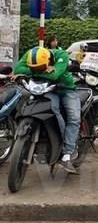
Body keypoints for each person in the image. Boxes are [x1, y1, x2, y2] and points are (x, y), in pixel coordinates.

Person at [13, 46, 81, 174]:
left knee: (74, 117)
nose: (36, 70)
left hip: (67, 89)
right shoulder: (30, 54)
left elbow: (55, 75)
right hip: (47, 88)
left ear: (49, 61)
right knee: (51, 109)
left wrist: (30, 72)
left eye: (40, 67)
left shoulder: (62, 55)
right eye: (34, 68)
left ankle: (67, 154)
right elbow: (17, 68)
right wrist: (42, 71)